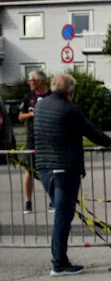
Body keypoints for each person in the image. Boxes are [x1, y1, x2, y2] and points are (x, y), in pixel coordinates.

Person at [32, 73, 111, 276]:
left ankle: (59, 259)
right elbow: (91, 132)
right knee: (63, 217)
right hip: (65, 169)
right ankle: (59, 262)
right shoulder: (70, 110)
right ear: (71, 92)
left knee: (61, 214)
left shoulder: (40, 106)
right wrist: (110, 142)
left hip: (44, 168)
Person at [18, 70, 51, 214]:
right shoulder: (28, 97)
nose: (29, 83)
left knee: (50, 169)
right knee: (29, 170)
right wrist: (31, 114)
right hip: (33, 137)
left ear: (39, 81)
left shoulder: (51, 96)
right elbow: (20, 116)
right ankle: (28, 202)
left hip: (49, 137)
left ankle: (53, 200)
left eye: (31, 80)